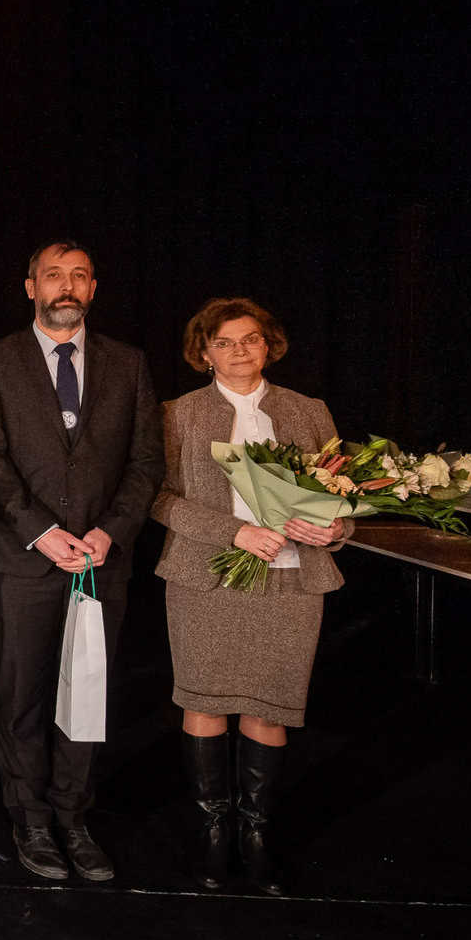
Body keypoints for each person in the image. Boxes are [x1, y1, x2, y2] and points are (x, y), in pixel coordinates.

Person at [0, 240, 163, 883]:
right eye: (54, 275)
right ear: (31, 287)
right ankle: (29, 818)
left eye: (79, 275)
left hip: (101, 561)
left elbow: (146, 463)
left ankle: (73, 817)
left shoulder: (128, 364)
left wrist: (112, 532)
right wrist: (42, 532)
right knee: (23, 694)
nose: (67, 285)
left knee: (86, 693)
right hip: (23, 559)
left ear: (94, 287)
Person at [151, 297, 349, 895]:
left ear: (269, 345)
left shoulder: (308, 411)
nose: (239, 350)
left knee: (268, 707)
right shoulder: (178, 414)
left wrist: (337, 529)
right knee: (206, 703)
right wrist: (233, 532)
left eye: (251, 339)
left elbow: (341, 495)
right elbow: (159, 498)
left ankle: (256, 833)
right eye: (224, 342)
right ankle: (214, 832)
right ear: (203, 353)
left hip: (290, 580)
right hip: (204, 579)